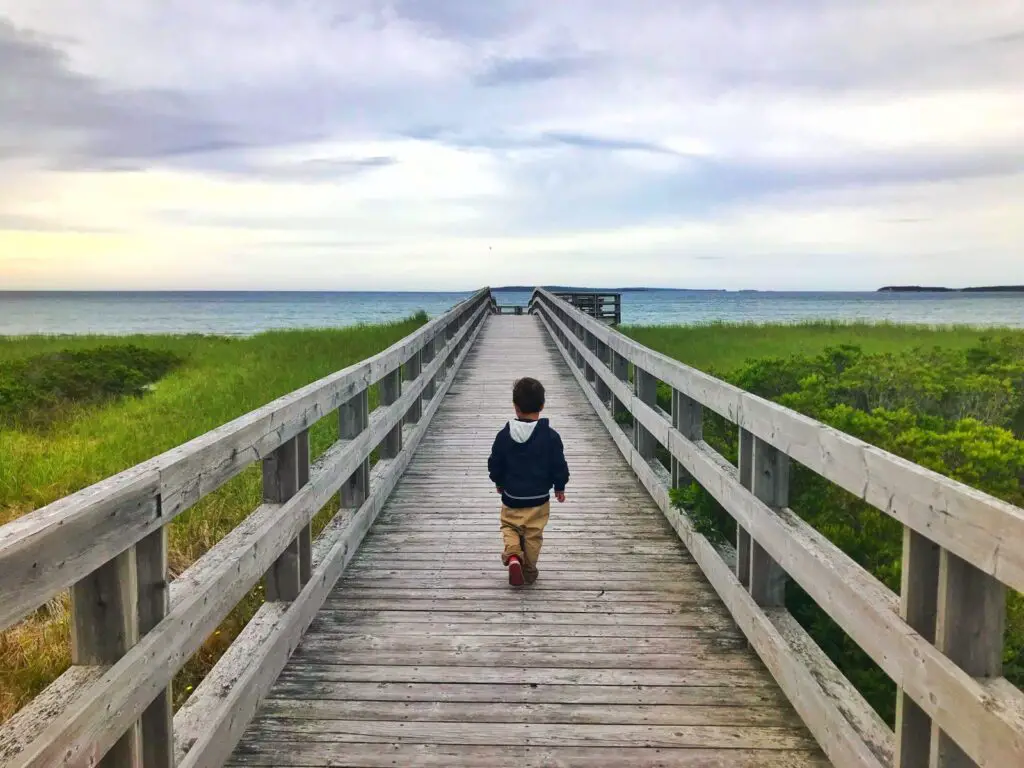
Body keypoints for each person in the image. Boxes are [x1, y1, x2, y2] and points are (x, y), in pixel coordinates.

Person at [487, 377, 569, 586]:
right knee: (533, 535)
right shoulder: (550, 436)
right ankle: (529, 571)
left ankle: (513, 555)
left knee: (509, 527)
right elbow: (558, 464)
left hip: (512, 496)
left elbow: (495, 462)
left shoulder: (504, 435)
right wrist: (559, 486)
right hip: (539, 498)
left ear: (515, 407)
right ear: (542, 406)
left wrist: (498, 481)